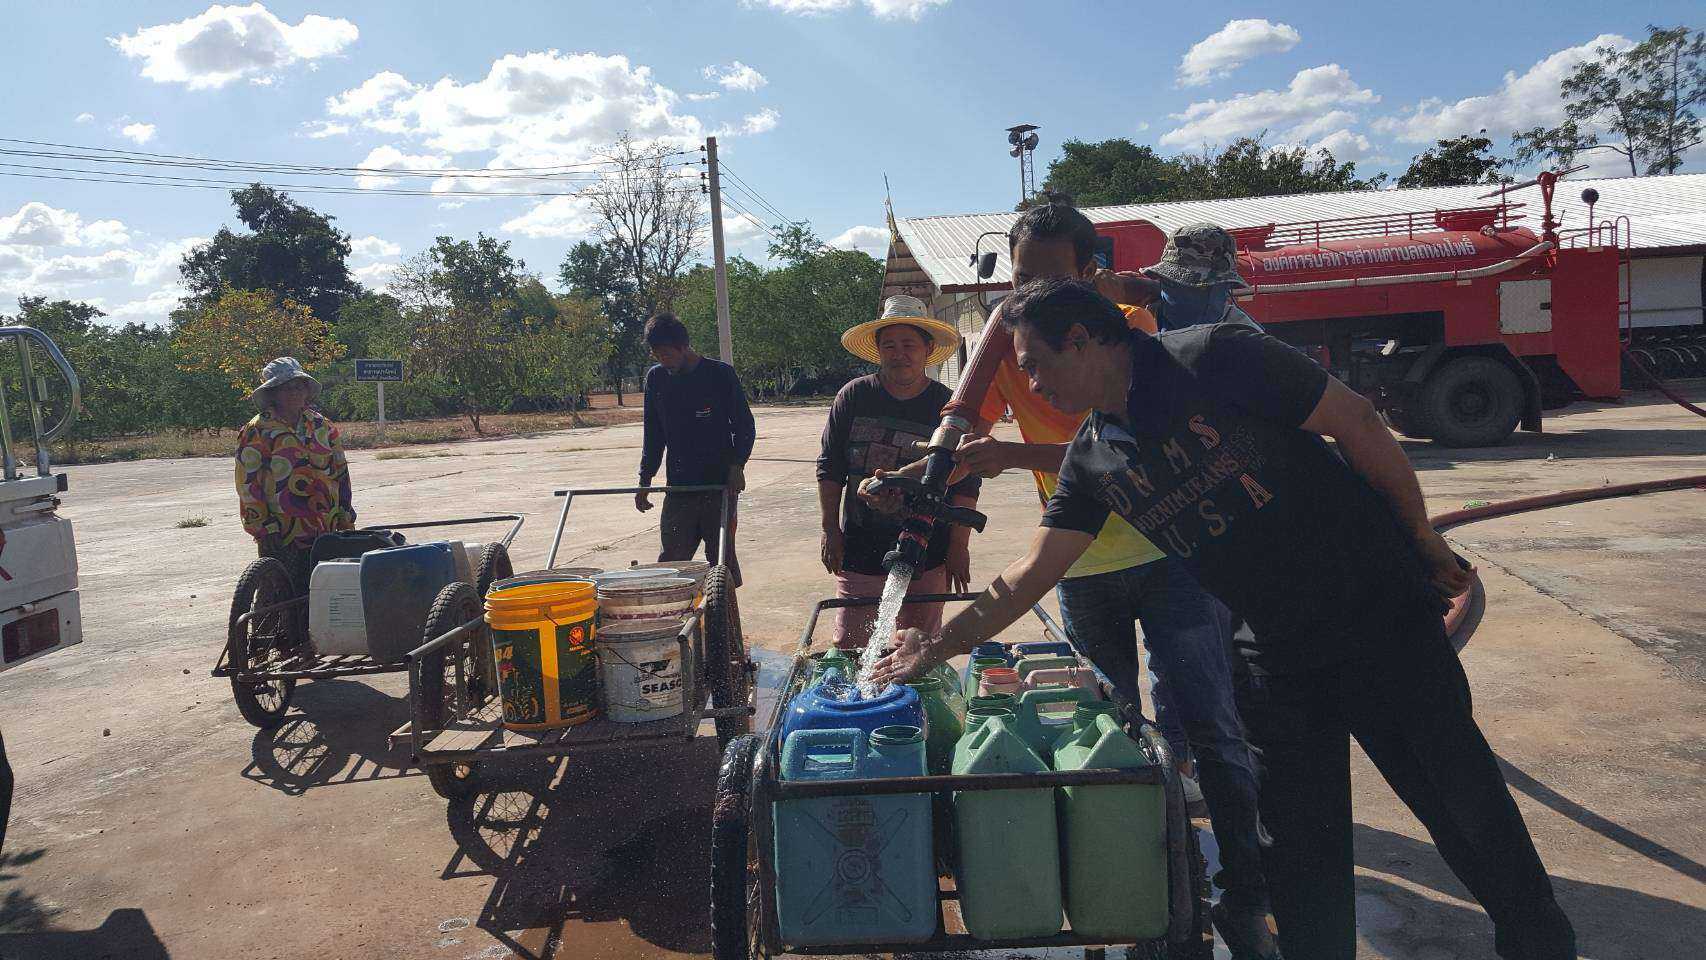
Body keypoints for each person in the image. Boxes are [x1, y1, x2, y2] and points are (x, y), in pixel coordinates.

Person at [869, 278, 1575, 960]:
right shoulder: (1093, 457)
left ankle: (1539, 945)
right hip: (1274, 655)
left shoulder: (1213, 357)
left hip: (1376, 620)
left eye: (1033, 365)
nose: (1030, 384)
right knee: (1297, 850)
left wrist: (1418, 537)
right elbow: (1031, 571)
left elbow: (1355, 420)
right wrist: (937, 646)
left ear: (1080, 339)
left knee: (1463, 808)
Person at [869, 203, 1277, 959]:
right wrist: (915, 474)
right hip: (1080, 562)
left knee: (1211, 727)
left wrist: (1011, 457)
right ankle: (1132, 891)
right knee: (1105, 733)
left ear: (1091, 276)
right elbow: (969, 430)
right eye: (1021, 277)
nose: (1029, 295)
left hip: (1171, 552)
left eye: (1050, 277)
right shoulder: (1017, 342)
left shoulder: (1131, 332)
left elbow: (1131, 449)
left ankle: (1245, 895)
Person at [817, 296, 979, 648]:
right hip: (860, 548)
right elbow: (830, 467)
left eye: (909, 345)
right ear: (878, 351)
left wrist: (959, 546)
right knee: (850, 648)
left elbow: (967, 481)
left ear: (928, 349)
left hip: (927, 552)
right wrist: (830, 529)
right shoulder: (853, 397)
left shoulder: (947, 406)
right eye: (889, 345)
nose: (899, 354)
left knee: (918, 651)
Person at [635, 313, 756, 582]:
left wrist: (737, 465)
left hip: (719, 486)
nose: (663, 361)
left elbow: (745, 425)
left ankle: (723, 607)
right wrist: (645, 478)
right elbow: (653, 433)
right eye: (657, 355)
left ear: (683, 347)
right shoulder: (657, 379)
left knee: (721, 561)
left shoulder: (720, 375)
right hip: (679, 487)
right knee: (672, 563)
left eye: (667, 354)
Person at [235, 357, 355, 592]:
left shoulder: (322, 426)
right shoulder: (257, 430)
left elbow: (340, 472)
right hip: (281, 530)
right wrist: (262, 526)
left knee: (324, 593)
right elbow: (247, 483)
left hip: (325, 526)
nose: (295, 392)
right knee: (279, 594)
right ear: (273, 393)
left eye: (299, 386)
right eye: (287, 388)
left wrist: (345, 514)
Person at [1142, 223, 1263, 332]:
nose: (1174, 291)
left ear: (1222, 287)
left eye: (1198, 288)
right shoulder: (1143, 320)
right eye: (1169, 282)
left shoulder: (1245, 337)